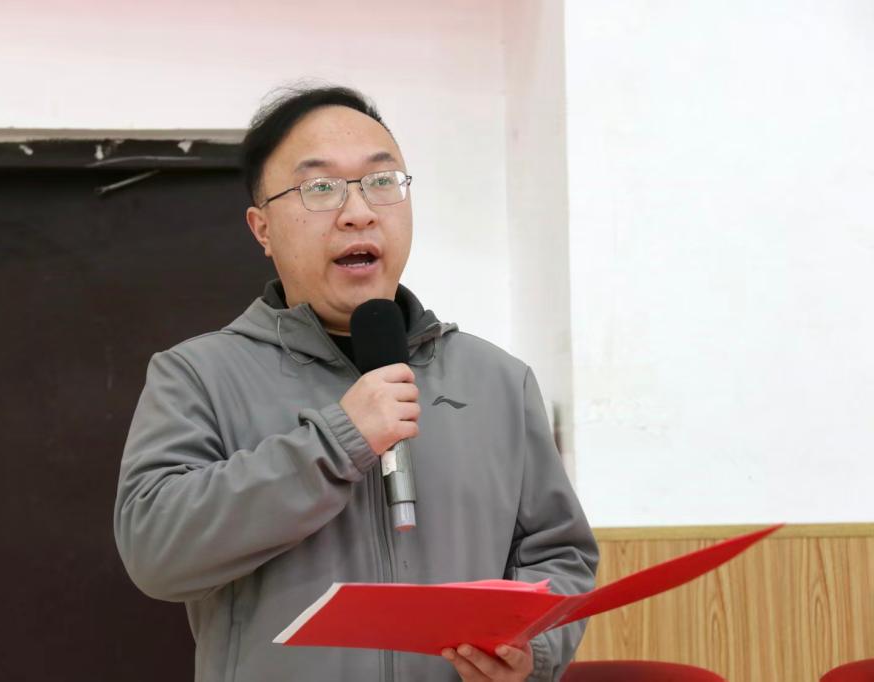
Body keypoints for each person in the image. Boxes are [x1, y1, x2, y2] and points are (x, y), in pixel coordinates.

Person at [114, 85, 598, 682]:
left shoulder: (498, 380)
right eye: (320, 188)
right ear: (262, 229)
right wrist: (339, 440)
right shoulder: (198, 375)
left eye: (381, 181)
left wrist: (533, 649)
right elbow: (155, 551)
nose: (359, 211)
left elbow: (560, 554)